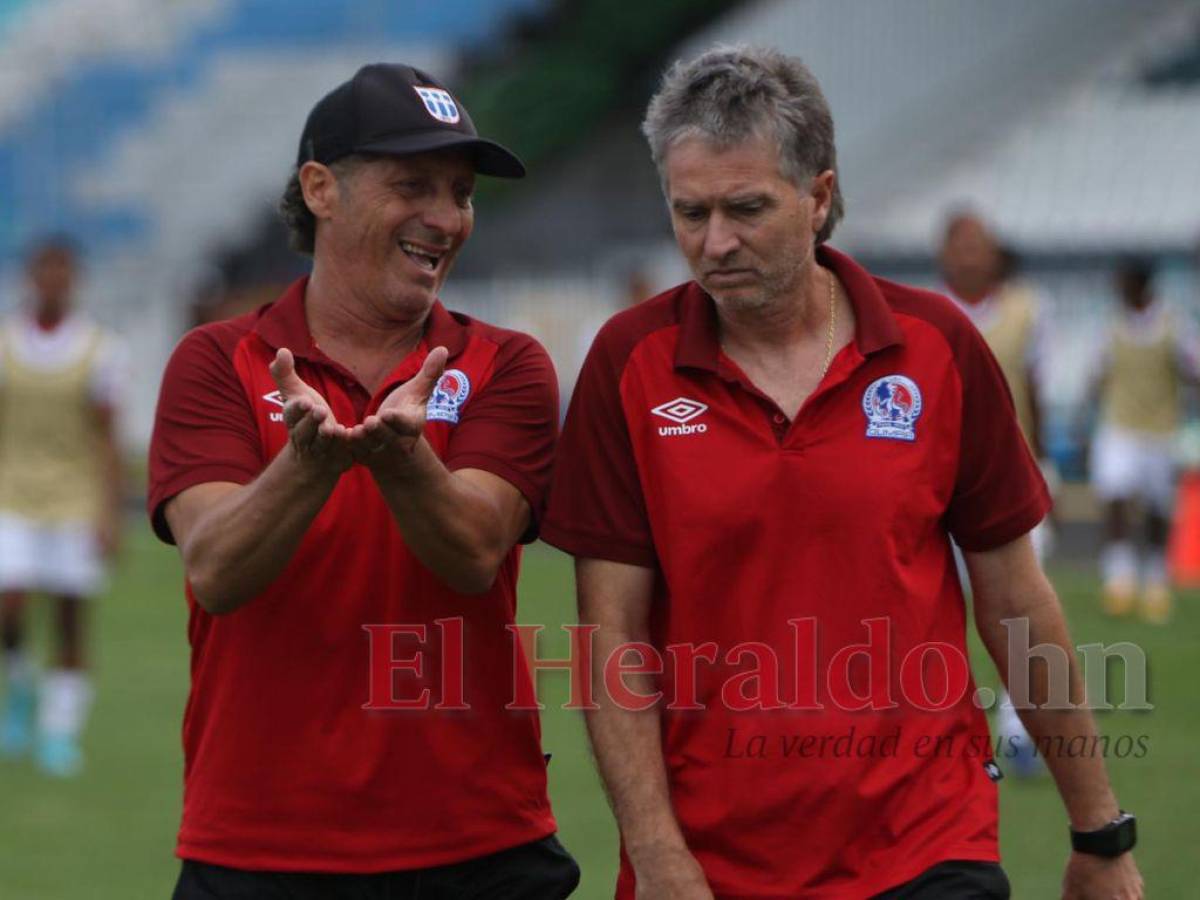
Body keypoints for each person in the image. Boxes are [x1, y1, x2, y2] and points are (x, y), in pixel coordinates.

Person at [543, 46, 1142, 899]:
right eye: (690, 212)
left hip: (927, 842)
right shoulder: (627, 364)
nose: (714, 243)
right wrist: (658, 853)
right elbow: (614, 640)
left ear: (819, 196)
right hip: (716, 861)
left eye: (745, 209)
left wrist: (1100, 831)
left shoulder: (937, 347)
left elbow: (1015, 598)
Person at [147, 63, 578, 899]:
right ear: (320, 189)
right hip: (259, 851)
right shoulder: (214, 361)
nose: (447, 218)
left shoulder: (509, 365)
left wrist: (397, 455)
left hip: (478, 848)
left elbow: (474, 551)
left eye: (460, 192)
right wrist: (309, 465)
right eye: (412, 184)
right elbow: (216, 569)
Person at [0, 236, 124, 778]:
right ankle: (21, 684)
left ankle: (59, 730)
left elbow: (106, 437)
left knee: (71, 619)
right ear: (30, 277)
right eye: (43, 270)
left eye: (62, 271)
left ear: (74, 279)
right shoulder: (5, 343)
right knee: (11, 603)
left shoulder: (99, 350)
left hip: (75, 498)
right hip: (12, 492)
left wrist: (108, 511)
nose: (52, 280)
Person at [939, 212, 1055, 776]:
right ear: (943, 253)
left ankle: (1018, 730)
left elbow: (1036, 387)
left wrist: (1045, 460)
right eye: (959, 244)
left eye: (979, 244)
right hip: (940, 490)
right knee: (942, 613)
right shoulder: (922, 317)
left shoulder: (1026, 309)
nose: (969, 255)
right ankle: (951, 732)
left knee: (1019, 612)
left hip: (1013, 480)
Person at [1088, 257, 1199, 623]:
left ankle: (1154, 578)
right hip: (1119, 426)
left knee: (1156, 508)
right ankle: (1119, 577)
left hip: (1160, 430)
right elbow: (1098, 374)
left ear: (1140, 283)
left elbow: (1192, 369)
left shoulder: (1173, 324)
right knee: (1116, 495)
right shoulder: (1112, 326)